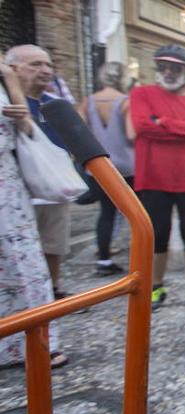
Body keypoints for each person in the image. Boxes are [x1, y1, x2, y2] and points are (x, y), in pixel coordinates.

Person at [129, 44, 185, 310]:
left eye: (175, 67)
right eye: (163, 66)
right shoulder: (141, 94)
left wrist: (163, 122)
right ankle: (156, 287)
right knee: (157, 235)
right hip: (153, 178)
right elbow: (142, 126)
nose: (168, 72)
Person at [0, 63, 64, 367]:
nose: (45, 69)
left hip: (6, 189)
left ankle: (35, 344)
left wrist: (12, 82)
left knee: (20, 262)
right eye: (36, 64)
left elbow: (25, 130)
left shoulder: (4, 76)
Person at [7, 45, 72, 297]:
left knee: (54, 242)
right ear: (13, 69)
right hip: (15, 191)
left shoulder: (55, 105)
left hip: (52, 188)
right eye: (35, 64)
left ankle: (52, 289)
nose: (45, 70)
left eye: (48, 65)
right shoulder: (7, 103)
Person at [80, 61, 136, 276]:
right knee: (135, 212)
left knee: (106, 213)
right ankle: (140, 255)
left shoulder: (88, 101)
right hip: (126, 165)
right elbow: (131, 135)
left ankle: (104, 261)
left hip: (98, 165)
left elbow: (81, 132)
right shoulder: (126, 102)